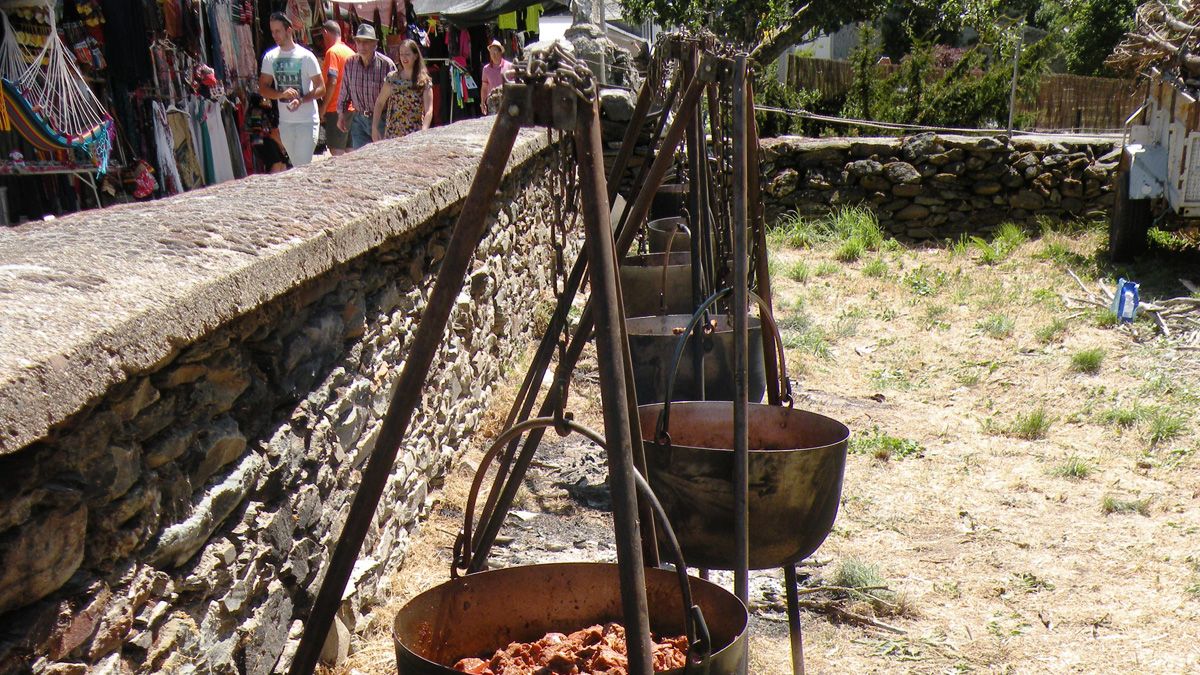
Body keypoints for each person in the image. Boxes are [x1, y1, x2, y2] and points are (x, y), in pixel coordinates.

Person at [258, 12, 324, 167]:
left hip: (307, 122)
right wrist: (281, 94)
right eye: (272, 31)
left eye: (278, 31)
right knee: (296, 166)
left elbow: (321, 88)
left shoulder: (306, 56)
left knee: (301, 166)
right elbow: (263, 88)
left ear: (289, 30)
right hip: (286, 123)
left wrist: (301, 99)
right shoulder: (270, 57)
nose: (274, 35)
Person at [337, 24, 396, 150]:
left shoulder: (386, 65)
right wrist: (341, 115)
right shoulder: (350, 63)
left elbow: (396, 96)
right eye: (359, 41)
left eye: (366, 42)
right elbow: (345, 91)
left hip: (382, 120)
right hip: (359, 119)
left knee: (382, 158)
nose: (362, 46)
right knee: (362, 160)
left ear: (375, 44)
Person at [372, 39, 433, 141]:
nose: (404, 57)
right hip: (393, 133)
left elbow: (429, 110)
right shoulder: (392, 78)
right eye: (401, 54)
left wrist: (424, 131)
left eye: (407, 54)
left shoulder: (424, 82)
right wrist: (374, 127)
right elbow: (379, 102)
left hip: (415, 134)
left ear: (416, 56)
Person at [319, 20, 355, 156]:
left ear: (325, 33)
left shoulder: (332, 52)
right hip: (352, 108)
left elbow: (332, 81)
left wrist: (323, 107)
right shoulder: (351, 52)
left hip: (336, 109)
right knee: (351, 151)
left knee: (337, 154)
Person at [246, 93, 289, 173]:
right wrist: (282, 146)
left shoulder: (255, 111)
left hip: (259, 140)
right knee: (277, 162)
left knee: (280, 162)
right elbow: (270, 133)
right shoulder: (260, 112)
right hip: (262, 140)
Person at [480, 39, 514, 115]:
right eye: (491, 52)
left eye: (495, 51)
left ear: (500, 52)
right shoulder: (486, 69)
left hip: (507, 101)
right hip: (492, 103)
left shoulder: (509, 66)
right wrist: (482, 102)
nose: (493, 54)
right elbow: (484, 87)